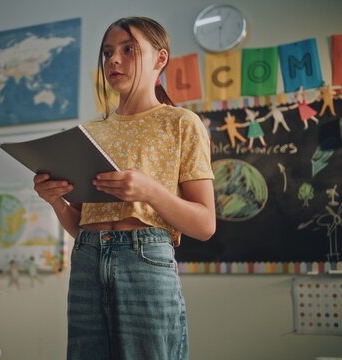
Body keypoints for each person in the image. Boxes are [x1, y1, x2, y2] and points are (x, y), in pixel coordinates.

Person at [33, 17, 215, 360]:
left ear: (160, 59)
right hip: (87, 256)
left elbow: (205, 225)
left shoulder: (181, 123)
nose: (113, 60)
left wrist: (150, 192)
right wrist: (56, 201)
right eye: (107, 53)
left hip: (146, 257)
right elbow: (81, 225)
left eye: (128, 49)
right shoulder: (89, 131)